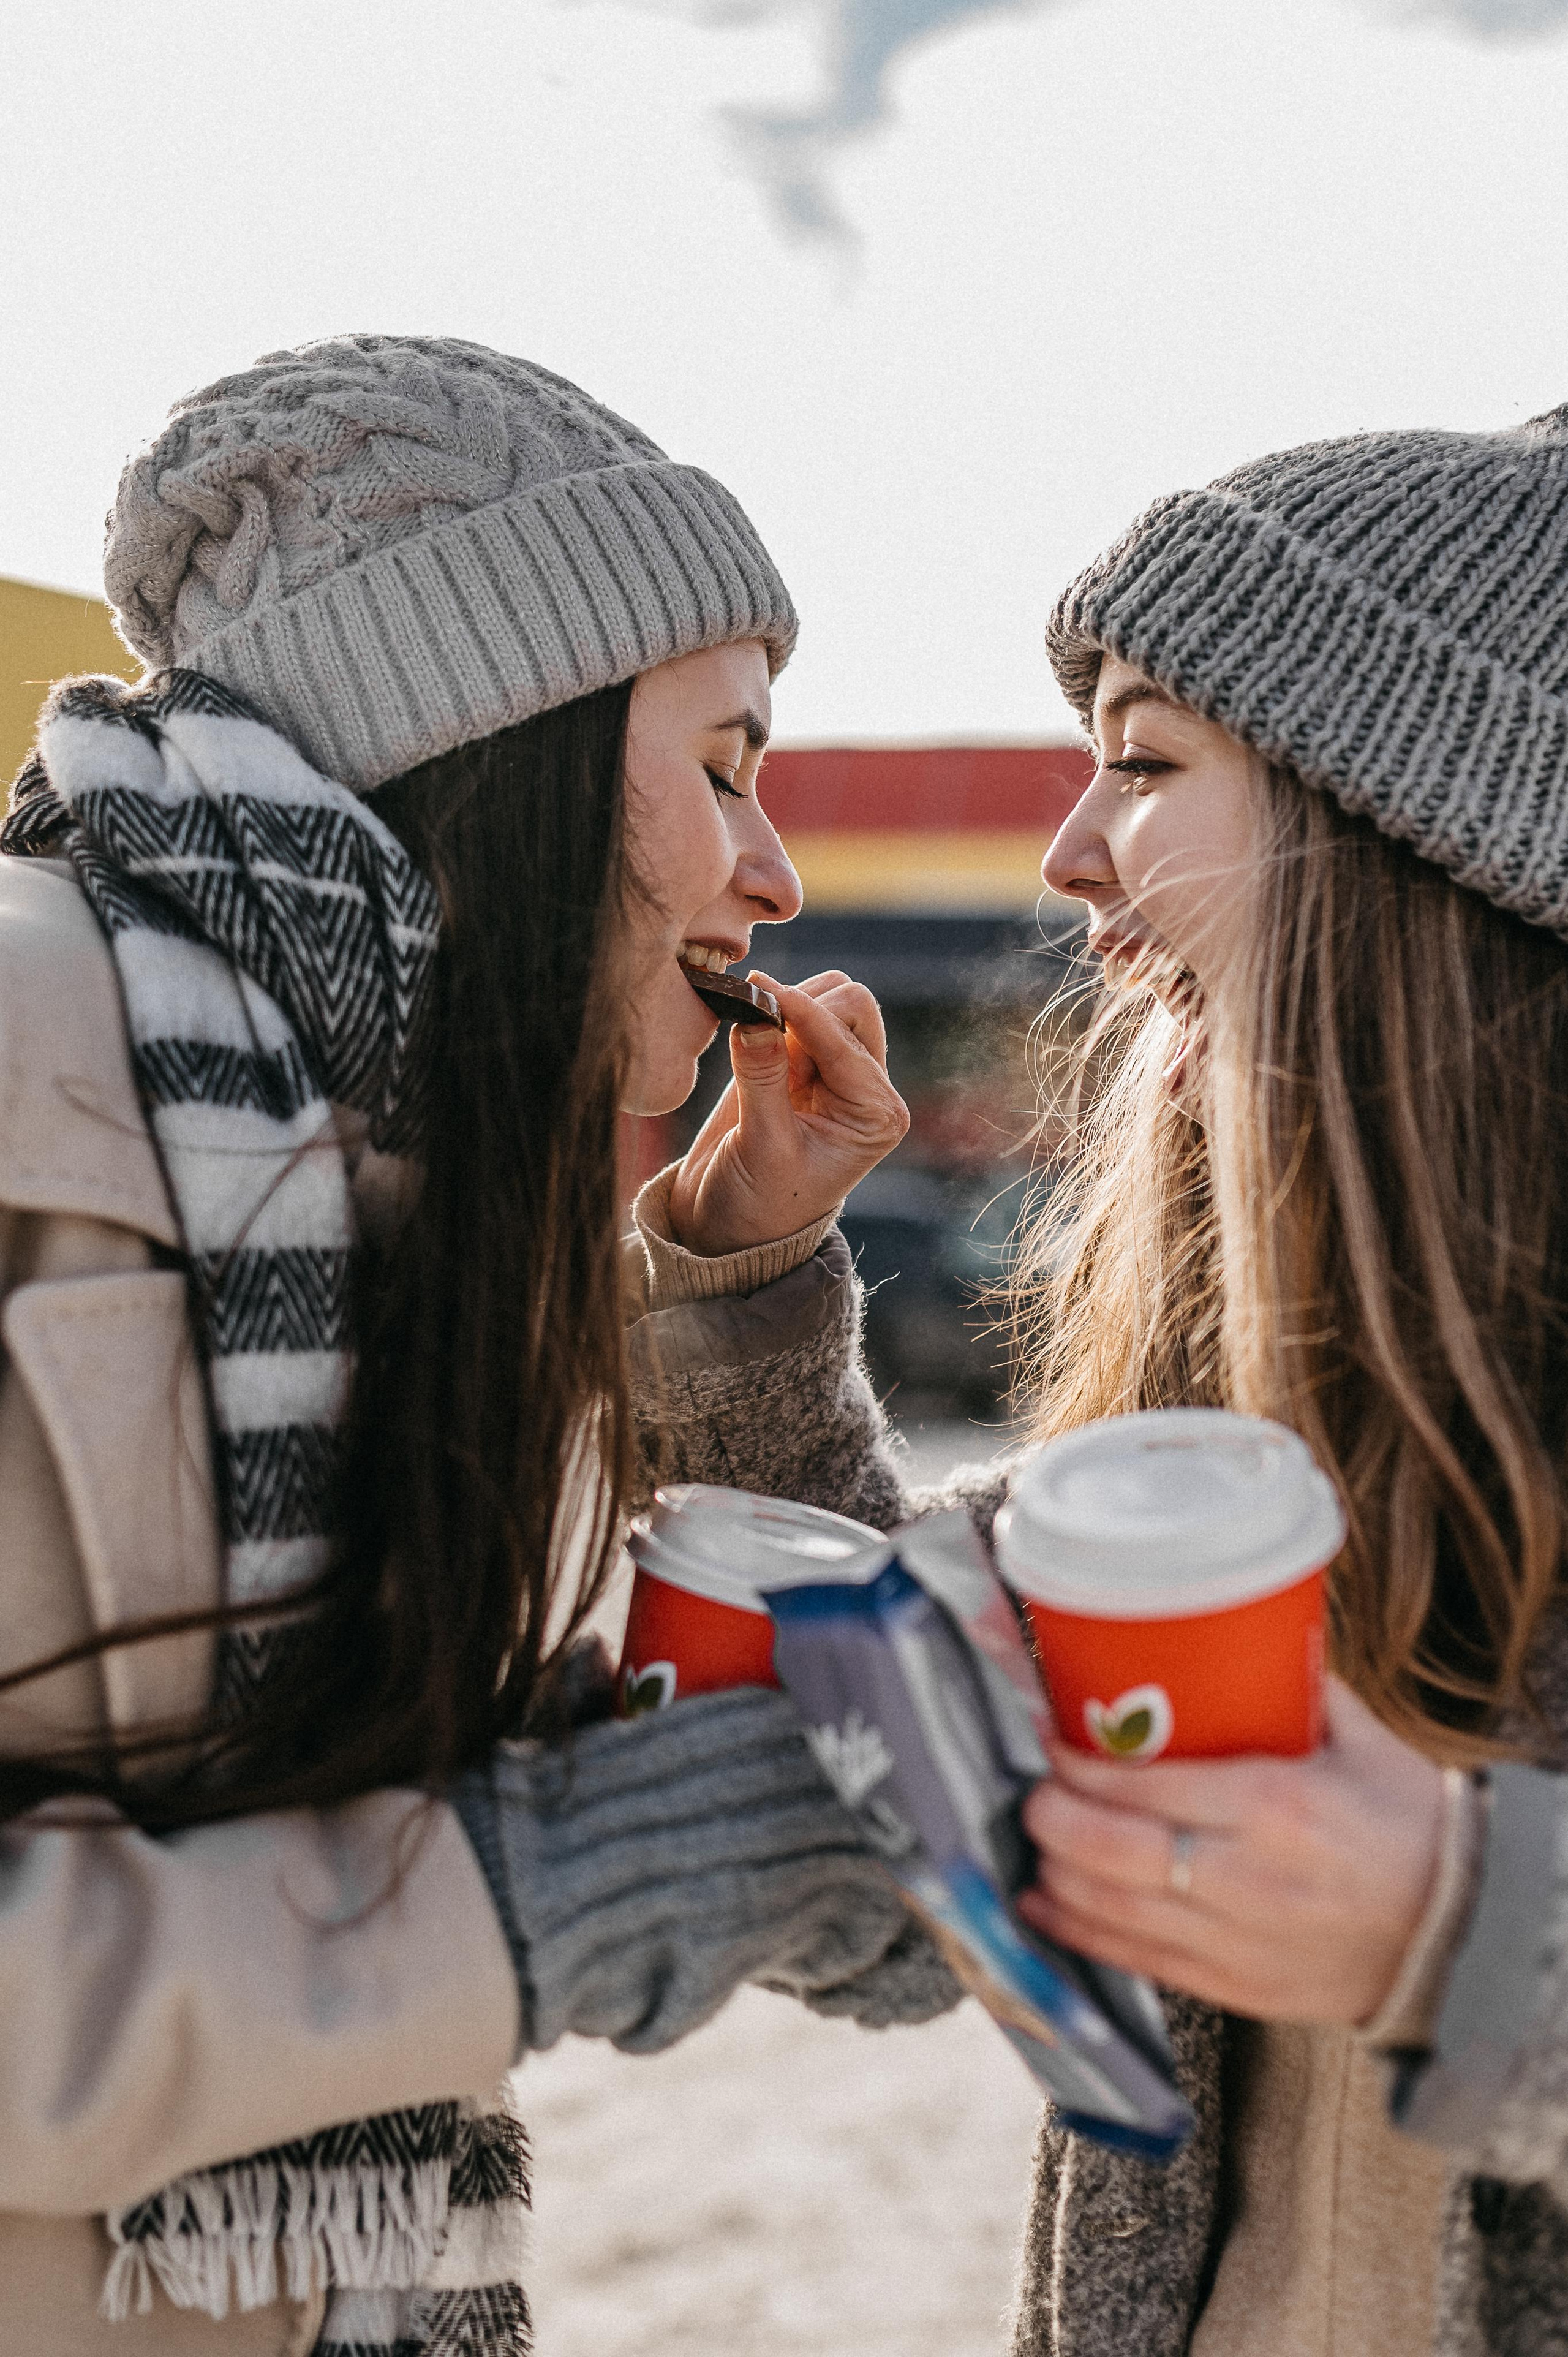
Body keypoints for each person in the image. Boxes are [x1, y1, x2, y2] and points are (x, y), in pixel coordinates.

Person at [0, 333, 957, 2357]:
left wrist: (735, 1276)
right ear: (496, 737)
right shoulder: (29, 1061)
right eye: (721, 765)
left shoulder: (388, 1173)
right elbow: (497, 1865)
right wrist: (533, 1901)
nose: (772, 876)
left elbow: (869, 1919)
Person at [739, 405, 1568, 2355]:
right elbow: (927, 1734)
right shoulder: (1274, 1377)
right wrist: (754, 1281)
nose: (1069, 853)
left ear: (1423, 820)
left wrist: (1466, 1940)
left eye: (1144, 761)